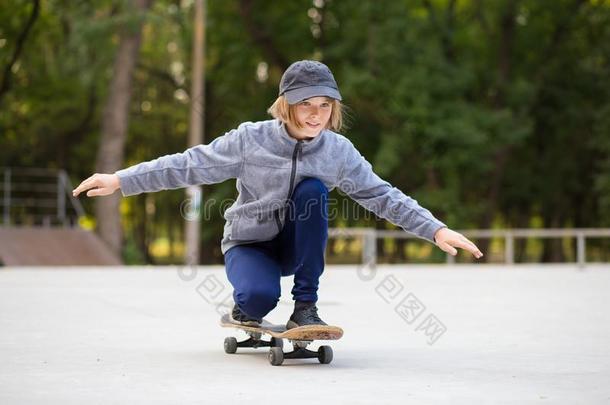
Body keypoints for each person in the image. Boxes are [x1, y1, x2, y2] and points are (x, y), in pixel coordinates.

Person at [73, 60, 483, 329]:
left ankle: (305, 307)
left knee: (313, 192)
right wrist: (123, 180)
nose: (315, 114)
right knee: (257, 299)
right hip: (248, 244)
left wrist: (435, 229)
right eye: (306, 103)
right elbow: (190, 163)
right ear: (285, 104)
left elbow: (382, 195)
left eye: (325, 104)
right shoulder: (251, 140)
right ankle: (246, 304)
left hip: (294, 245)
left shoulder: (338, 151)